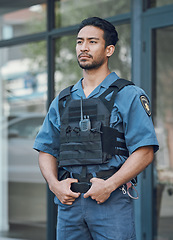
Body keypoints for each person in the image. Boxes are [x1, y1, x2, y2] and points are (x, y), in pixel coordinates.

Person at [33, 17, 159, 240]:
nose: (83, 47)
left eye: (92, 42)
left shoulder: (128, 94)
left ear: (109, 49)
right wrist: (54, 185)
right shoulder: (62, 100)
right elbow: (46, 149)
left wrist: (109, 186)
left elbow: (145, 151)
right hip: (69, 202)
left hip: (110, 200)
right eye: (80, 41)